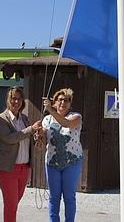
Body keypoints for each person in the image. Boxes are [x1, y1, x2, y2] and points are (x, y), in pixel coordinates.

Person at [0, 87, 42, 222]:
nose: (16, 101)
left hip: (24, 168)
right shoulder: (0, 118)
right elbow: (9, 138)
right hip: (8, 168)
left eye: (19, 98)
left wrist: (37, 137)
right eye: (13, 98)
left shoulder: (24, 118)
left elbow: (28, 137)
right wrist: (31, 129)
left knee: (14, 203)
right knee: (11, 204)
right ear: (7, 100)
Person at [41, 88, 83, 222]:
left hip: (72, 163)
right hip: (52, 163)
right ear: (54, 102)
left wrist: (51, 110)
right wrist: (39, 136)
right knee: (54, 197)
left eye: (66, 100)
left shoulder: (76, 117)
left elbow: (66, 123)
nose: (63, 103)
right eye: (60, 100)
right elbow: (43, 139)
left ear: (70, 104)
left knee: (69, 197)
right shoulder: (47, 119)